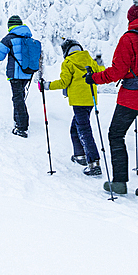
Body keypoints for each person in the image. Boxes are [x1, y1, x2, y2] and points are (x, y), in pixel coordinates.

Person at [86, 0, 138, 203]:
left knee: (116, 135)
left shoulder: (128, 39)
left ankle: (119, 182)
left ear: (131, 19)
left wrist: (94, 78)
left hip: (130, 99)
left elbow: (117, 72)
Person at [42, 39, 105, 177]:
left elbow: (64, 82)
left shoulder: (68, 63)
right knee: (75, 127)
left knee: (84, 130)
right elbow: (100, 72)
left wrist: (47, 85)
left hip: (78, 101)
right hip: (90, 100)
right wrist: (100, 64)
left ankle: (94, 162)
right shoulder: (88, 59)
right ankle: (80, 155)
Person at [0, 15, 37, 137]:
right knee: (20, 97)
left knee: (17, 99)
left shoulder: (9, 39)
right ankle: (19, 120)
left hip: (15, 74)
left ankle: (21, 127)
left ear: (10, 26)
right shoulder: (28, 38)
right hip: (27, 73)